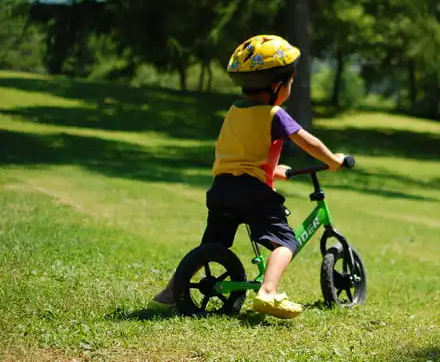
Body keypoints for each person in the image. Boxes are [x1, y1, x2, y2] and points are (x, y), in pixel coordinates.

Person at [148, 34, 346, 319]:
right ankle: (268, 292)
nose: (290, 87)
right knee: (285, 243)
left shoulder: (234, 111)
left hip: (223, 187)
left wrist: (272, 172)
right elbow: (307, 142)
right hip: (252, 192)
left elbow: (241, 153)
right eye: (289, 82)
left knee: (211, 247)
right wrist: (333, 160)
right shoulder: (274, 114)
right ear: (277, 85)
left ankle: (169, 293)